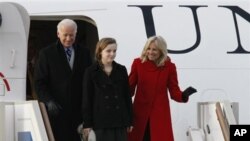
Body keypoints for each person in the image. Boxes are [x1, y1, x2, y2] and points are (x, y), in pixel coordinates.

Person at [128, 35, 197, 141]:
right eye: (148, 49)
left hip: (159, 114)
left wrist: (183, 95)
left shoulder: (169, 67)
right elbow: (129, 88)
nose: (150, 52)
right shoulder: (138, 63)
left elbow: (174, 91)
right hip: (139, 113)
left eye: (154, 49)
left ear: (161, 51)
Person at [34, 19, 92, 141]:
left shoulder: (85, 53)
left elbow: (89, 81)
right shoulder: (46, 54)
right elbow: (40, 82)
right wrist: (48, 101)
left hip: (79, 112)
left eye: (72, 35)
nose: (68, 38)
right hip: (57, 112)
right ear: (58, 34)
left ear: (76, 33)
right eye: (65, 34)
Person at [82, 37, 133, 141]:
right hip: (100, 121)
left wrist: (130, 121)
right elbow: (87, 99)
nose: (112, 54)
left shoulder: (121, 69)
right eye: (108, 51)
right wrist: (87, 124)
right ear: (100, 52)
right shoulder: (91, 71)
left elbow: (127, 96)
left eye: (114, 51)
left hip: (120, 120)